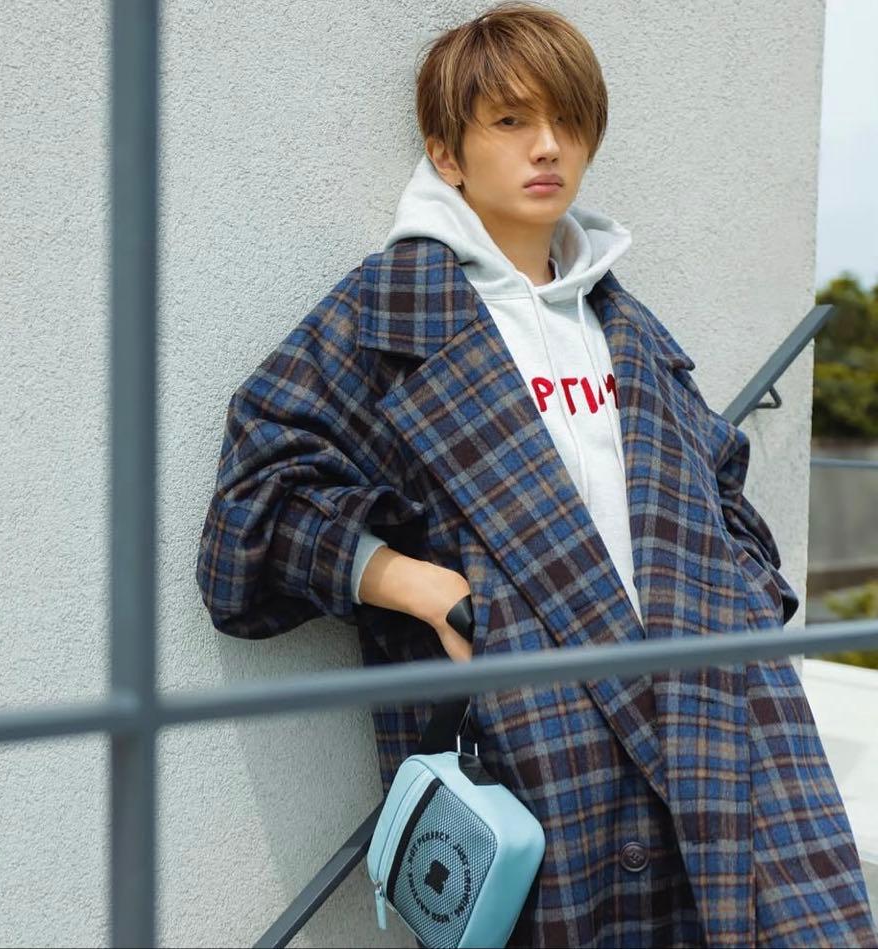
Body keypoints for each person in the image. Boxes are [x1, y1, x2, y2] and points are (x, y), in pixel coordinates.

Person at [195, 2, 878, 946]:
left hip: (720, 721)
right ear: (446, 153)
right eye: (510, 121)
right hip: (537, 748)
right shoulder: (391, 315)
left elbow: (722, 486)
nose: (548, 146)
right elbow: (254, 507)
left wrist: (747, 602)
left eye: (567, 120)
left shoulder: (622, 322)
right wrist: (420, 587)